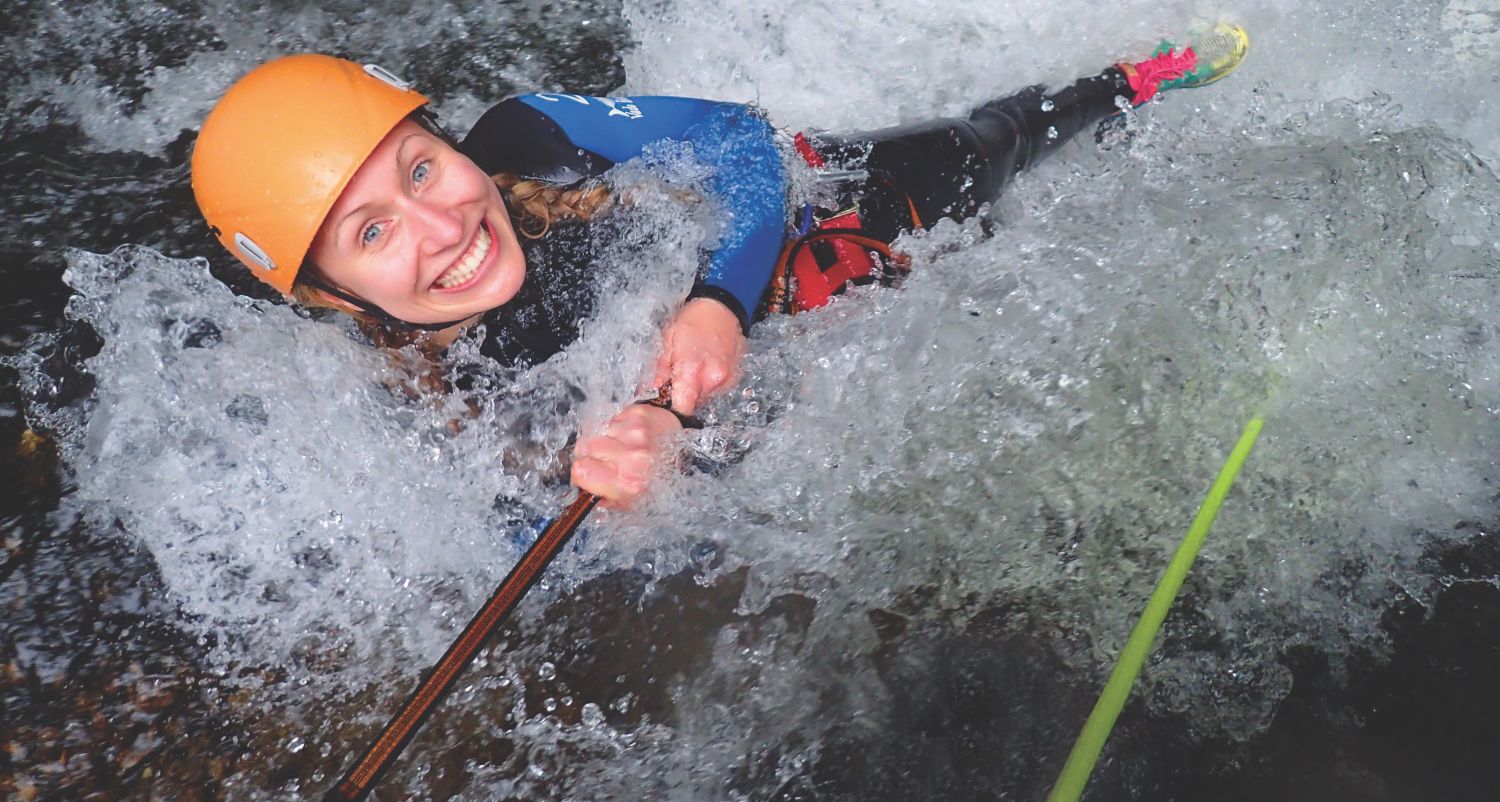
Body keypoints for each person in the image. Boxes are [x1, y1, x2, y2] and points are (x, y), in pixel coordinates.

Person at [190, 24, 1250, 508]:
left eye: (422, 167)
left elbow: (743, 139)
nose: (440, 227)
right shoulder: (427, 397)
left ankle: (1125, 85)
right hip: (804, 350)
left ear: (448, 138)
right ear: (331, 296)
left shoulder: (530, 134)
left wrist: (712, 301)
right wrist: (626, 466)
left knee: (990, 147)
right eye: (370, 232)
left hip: (826, 214)